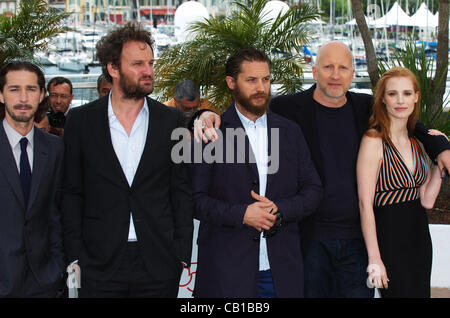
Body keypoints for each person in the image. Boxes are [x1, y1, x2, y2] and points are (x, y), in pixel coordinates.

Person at [194, 41, 450, 297]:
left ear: (352, 73)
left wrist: (439, 146)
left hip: (357, 241)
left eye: (343, 68)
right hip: (310, 240)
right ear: (315, 72)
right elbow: (246, 111)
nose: (336, 75)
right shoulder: (287, 109)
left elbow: (405, 117)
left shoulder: (365, 107)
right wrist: (203, 115)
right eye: (328, 67)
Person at [60, 22, 194, 298]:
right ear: (113, 68)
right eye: (137, 64)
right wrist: (75, 255)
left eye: (150, 63)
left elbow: (180, 190)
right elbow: (71, 191)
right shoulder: (81, 121)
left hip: (159, 262)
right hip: (99, 264)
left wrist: (181, 253)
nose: (148, 71)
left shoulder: (171, 120)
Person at [191, 48, 322, 298]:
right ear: (231, 83)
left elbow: (313, 190)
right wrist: (242, 214)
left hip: (282, 272)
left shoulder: (290, 132)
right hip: (226, 275)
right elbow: (194, 200)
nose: (261, 87)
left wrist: (280, 210)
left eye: (266, 79)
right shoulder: (210, 134)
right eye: (251, 80)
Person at [357, 67, 444, 298]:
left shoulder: (417, 142)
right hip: (389, 239)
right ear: (383, 99)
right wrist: (375, 258)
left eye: (406, 93)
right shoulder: (373, 140)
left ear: (416, 97)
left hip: (419, 237)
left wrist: (439, 162)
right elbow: (365, 205)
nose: (400, 101)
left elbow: (426, 200)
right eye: (392, 94)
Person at [0, 61, 65, 297]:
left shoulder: (57, 148)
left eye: (31, 89)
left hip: (45, 281)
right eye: (14, 89)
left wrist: (57, 268)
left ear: (41, 96)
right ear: (1, 94)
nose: (23, 98)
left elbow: (59, 212)